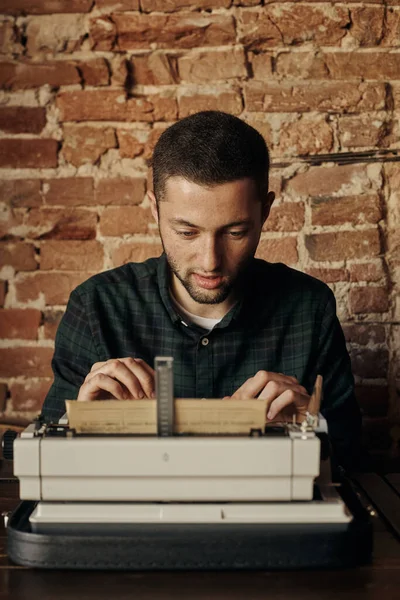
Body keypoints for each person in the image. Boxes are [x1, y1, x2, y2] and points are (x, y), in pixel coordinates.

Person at [41, 110, 362, 470]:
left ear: (266, 212)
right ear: (155, 210)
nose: (210, 261)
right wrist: (77, 426)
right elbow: (46, 464)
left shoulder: (309, 308)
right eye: (187, 232)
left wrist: (312, 424)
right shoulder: (96, 306)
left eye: (235, 232)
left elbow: (355, 464)